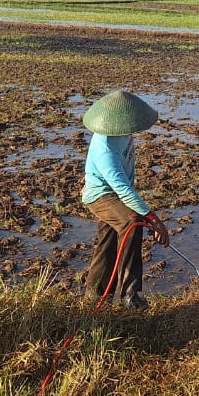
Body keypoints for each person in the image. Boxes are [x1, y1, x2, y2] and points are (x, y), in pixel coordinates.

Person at [81, 89, 170, 311]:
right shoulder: (104, 150)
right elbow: (121, 189)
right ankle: (130, 294)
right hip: (100, 194)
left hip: (117, 192)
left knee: (108, 243)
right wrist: (153, 219)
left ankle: (95, 296)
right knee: (131, 222)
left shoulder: (123, 132)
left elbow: (126, 182)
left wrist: (147, 215)